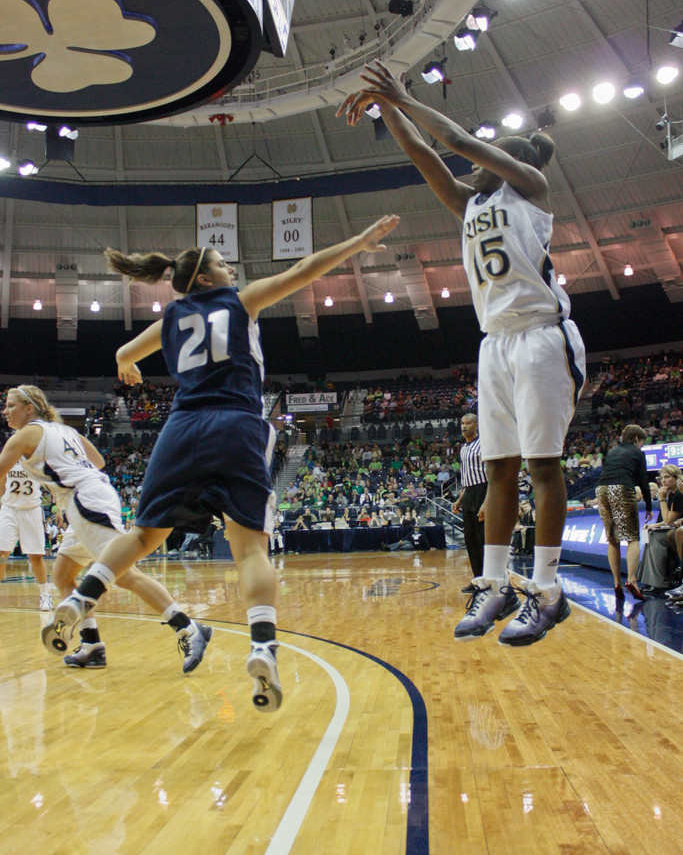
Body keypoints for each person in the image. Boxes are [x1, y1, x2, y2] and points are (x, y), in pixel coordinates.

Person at [42, 214, 399, 709]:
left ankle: (80, 599)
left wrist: (127, 364)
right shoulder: (239, 300)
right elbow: (303, 272)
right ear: (206, 279)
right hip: (234, 423)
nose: (231, 268)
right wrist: (359, 240)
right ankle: (262, 646)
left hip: (180, 429)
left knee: (144, 536)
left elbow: (125, 351)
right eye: (223, 264)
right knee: (250, 549)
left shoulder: (170, 317)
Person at [338, 63, 586, 646]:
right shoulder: (470, 204)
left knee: (541, 467)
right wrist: (387, 109)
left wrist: (402, 95)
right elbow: (427, 155)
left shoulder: (530, 187)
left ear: (502, 163)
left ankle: (548, 592)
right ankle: (494, 582)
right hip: (495, 342)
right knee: (500, 467)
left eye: (481, 161)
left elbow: (455, 141)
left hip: (542, 334)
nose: (469, 166)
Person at [0, 385, 212, 671]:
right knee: (63, 575)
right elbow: (97, 462)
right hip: (88, 497)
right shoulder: (67, 431)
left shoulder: (24, 434)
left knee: (123, 574)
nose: (5, 410)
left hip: (85, 501)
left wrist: (65, 490)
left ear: (29, 408)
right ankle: (91, 645)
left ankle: (188, 628)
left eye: (10, 405)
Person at [594, 424, 652, 612]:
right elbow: (643, 481)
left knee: (612, 538)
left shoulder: (612, 451)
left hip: (601, 489)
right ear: (636, 439)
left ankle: (617, 582)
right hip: (620, 488)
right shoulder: (637, 453)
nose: (641, 446)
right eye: (642, 442)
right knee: (632, 537)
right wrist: (649, 506)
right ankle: (632, 580)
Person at [0, 458, 53, 610]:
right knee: (2, 554)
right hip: (9, 509)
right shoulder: (8, 456)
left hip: (32, 510)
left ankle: (45, 595)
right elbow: (2, 483)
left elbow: (51, 484)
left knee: (36, 556)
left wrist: (61, 507)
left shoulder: (39, 459)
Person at [450, 412, 487, 580]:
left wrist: (487, 502)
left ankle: (489, 578)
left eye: (468, 423)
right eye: (462, 423)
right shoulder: (463, 448)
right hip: (469, 493)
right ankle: (478, 579)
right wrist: (459, 500)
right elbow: (467, 480)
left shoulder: (483, 445)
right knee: (470, 540)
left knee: (483, 540)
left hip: (483, 491)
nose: (464, 426)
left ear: (476, 425)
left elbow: (492, 476)